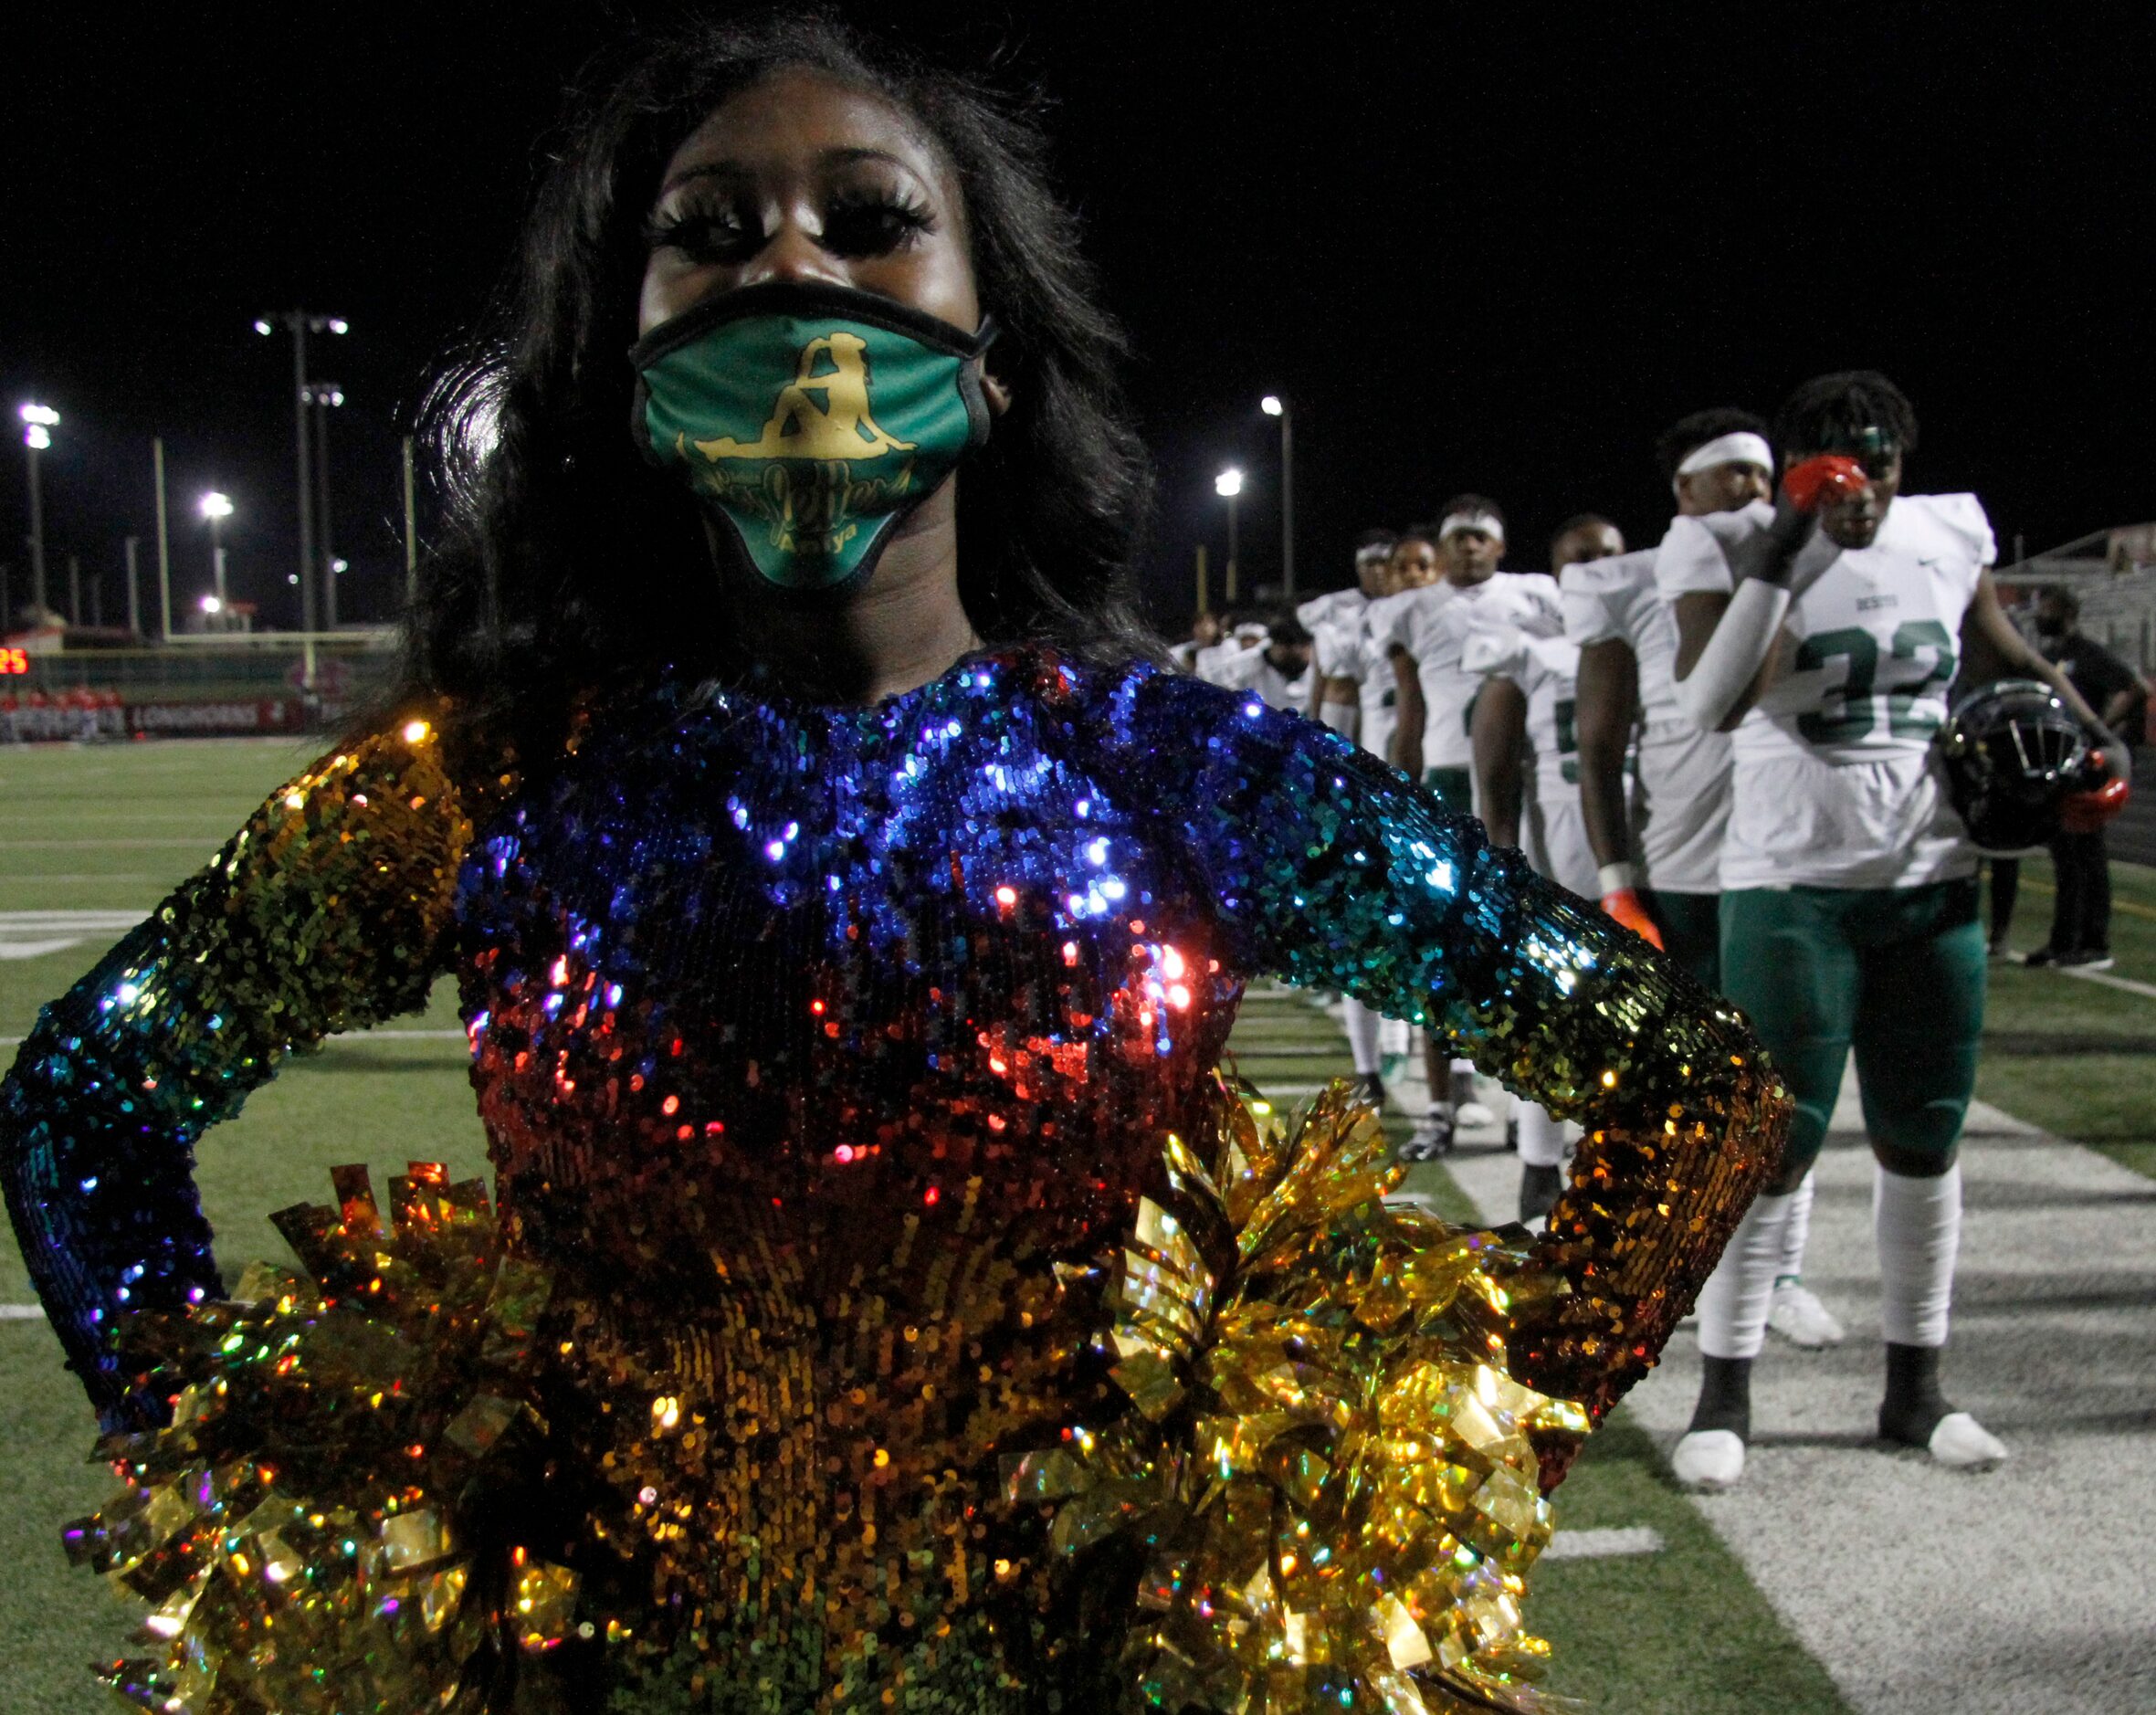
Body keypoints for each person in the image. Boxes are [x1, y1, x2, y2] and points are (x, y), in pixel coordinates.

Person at [0, 19, 1784, 1712]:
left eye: (869, 221)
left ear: (988, 358)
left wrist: (1421, 1476)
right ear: (626, 375)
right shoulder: (493, 786)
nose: (790, 268)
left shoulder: (1168, 770)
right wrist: (286, 1495)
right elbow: (86, 1102)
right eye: (709, 235)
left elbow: (1681, 1090)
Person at [1659, 369, 2128, 1492]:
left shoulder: (1946, 529)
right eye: (1843, 463)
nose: (1867, 486)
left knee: (1926, 1136)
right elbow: (1711, 701)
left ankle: (1915, 1392)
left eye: (1884, 463)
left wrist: (2085, 731)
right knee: (1775, 1143)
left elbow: (2000, 649)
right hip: (1789, 882)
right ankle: (1726, 1394)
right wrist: (1787, 545)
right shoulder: (1724, 543)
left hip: (1929, 875)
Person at [1562, 410, 1843, 1349]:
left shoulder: (1813, 561)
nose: (1753, 494)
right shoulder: (1634, 583)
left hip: (1788, 865)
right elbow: (1597, 745)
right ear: (1683, 491)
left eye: (1764, 476)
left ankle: (1780, 1270)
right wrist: (1615, 879)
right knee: (1674, 1089)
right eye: (1730, 477)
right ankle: (1656, 1262)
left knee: (1786, 1087)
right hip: (1682, 868)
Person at [1377, 498, 1563, 1158]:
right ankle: (1438, 1107)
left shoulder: (1536, 596)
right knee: (1437, 954)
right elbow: (1411, 712)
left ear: (1501, 546)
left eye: (1481, 538)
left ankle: (1524, 1111)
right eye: (1457, 539)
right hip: (1447, 783)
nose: (1468, 550)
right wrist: (1402, 802)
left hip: (1520, 781)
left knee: (1516, 955)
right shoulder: (1412, 610)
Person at [1467, 515, 1618, 1218]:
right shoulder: (1528, 649)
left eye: (1609, 557)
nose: (1595, 569)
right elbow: (1494, 767)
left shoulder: (1650, 632)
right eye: (1580, 558)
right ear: (1553, 571)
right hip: (1557, 842)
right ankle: (1537, 1160)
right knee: (1550, 1011)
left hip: (1640, 845)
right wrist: (1503, 864)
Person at [1299, 530, 1427, 1101]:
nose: (1387, 575)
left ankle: (1452, 1080)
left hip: (1447, 788)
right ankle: (1370, 1065)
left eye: (1395, 564)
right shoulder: (1350, 630)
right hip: (1379, 799)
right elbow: (1331, 721)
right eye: (1377, 565)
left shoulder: (1453, 616)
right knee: (1366, 933)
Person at [2019, 585, 2151, 969]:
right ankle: (2063, 941)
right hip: (2058, 762)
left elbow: (2135, 688)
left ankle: (2095, 943)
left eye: (2047, 608)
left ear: (2066, 612)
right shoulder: (2049, 657)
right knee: (2064, 855)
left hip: (2085, 763)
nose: (2041, 615)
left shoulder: (2087, 654)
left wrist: (2100, 730)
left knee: (2088, 853)